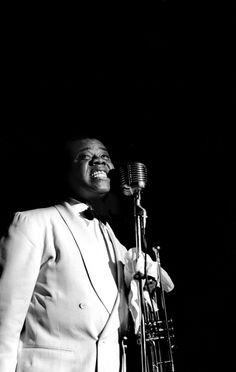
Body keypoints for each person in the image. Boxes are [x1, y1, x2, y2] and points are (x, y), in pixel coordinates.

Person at [0, 135, 174, 372]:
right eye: (85, 156)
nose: (99, 162)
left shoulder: (110, 236)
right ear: (64, 170)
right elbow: (5, 322)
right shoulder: (34, 223)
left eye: (104, 156)